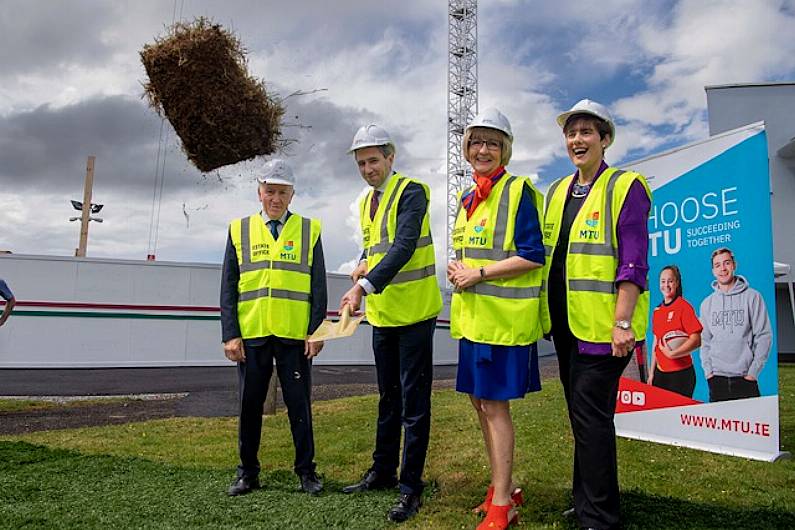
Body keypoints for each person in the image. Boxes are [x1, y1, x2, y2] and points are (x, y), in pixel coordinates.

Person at [542, 99, 651, 530]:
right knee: (583, 417)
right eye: (571, 133)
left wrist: (622, 322)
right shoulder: (557, 193)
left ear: (605, 139)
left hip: (607, 330)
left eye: (587, 132)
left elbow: (635, 261)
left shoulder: (626, 187)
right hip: (568, 328)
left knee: (590, 416)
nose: (577, 140)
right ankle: (585, 500)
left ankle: (600, 516)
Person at [446, 108, 545, 530]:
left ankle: (503, 503)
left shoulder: (518, 190)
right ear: (467, 151)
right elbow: (469, 254)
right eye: (475, 143)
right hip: (474, 322)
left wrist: (478, 273)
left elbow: (532, 255)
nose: (482, 149)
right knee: (479, 403)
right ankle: (502, 485)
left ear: (505, 148)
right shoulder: (468, 199)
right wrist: (457, 268)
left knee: (493, 406)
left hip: (504, 323)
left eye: (491, 142)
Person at [340, 124, 442, 523]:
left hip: (415, 313)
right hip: (383, 315)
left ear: (390, 158)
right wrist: (363, 261)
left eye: (373, 161)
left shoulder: (412, 191)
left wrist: (364, 286)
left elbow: (403, 245)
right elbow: (376, 244)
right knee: (388, 399)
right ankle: (382, 472)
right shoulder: (368, 202)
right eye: (362, 163)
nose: (368, 169)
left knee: (414, 405)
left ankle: (409, 487)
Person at [220, 159, 327, 497]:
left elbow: (318, 286)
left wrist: (317, 331)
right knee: (249, 406)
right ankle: (247, 472)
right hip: (252, 334)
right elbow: (228, 284)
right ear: (259, 193)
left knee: (300, 405)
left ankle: (306, 472)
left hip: (295, 336)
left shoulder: (310, 230)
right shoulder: (239, 229)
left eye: (282, 192)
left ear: (292, 195)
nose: (275, 198)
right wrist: (230, 334)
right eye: (270, 191)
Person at [699, 247, 772, 402]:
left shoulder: (753, 297)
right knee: (718, 426)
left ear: (734, 265)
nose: (723, 269)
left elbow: (764, 336)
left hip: (745, 379)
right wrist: (708, 373)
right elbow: (704, 340)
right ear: (713, 270)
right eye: (717, 265)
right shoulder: (707, 303)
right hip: (717, 380)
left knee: (751, 425)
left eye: (726, 263)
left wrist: (753, 373)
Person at [649, 265, 702, 397]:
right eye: (663, 281)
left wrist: (674, 354)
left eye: (670, 281)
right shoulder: (657, 311)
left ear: (677, 283)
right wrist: (651, 373)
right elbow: (656, 342)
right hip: (660, 374)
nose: (666, 285)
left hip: (681, 375)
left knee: (677, 416)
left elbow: (696, 340)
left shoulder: (684, 307)